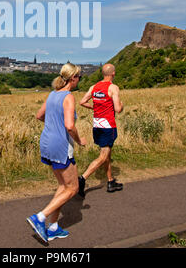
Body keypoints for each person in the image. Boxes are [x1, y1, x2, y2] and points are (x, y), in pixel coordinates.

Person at [26, 62, 87, 243]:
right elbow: (69, 126)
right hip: (60, 146)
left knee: (62, 186)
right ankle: (40, 217)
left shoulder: (53, 94)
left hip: (46, 142)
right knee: (73, 187)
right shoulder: (68, 96)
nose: (79, 80)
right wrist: (79, 140)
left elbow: (39, 116)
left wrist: (53, 126)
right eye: (79, 77)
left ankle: (53, 227)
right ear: (73, 78)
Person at [78, 63, 123, 198]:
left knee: (107, 154)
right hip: (108, 126)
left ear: (103, 73)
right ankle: (82, 179)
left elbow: (82, 102)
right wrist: (122, 105)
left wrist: (94, 108)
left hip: (97, 125)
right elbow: (118, 109)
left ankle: (110, 181)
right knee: (103, 156)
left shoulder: (94, 87)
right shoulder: (113, 88)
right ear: (113, 73)